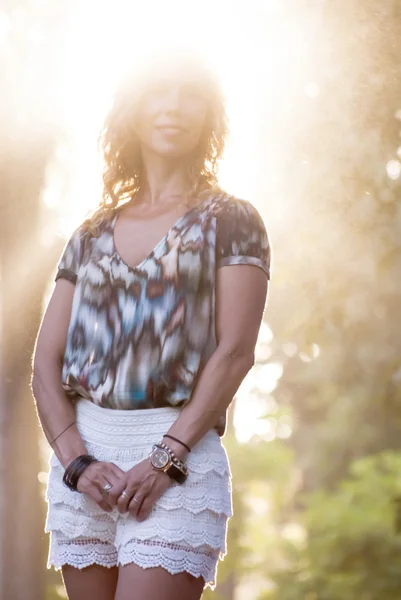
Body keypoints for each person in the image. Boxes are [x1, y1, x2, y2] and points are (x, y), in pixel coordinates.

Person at [31, 49, 272, 600]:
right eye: (158, 93)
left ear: (210, 115)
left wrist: (166, 460)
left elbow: (235, 351)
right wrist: (77, 464)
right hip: (84, 467)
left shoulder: (232, 220)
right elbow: (45, 368)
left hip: (177, 464)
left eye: (190, 95)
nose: (173, 107)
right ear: (133, 111)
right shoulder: (90, 233)